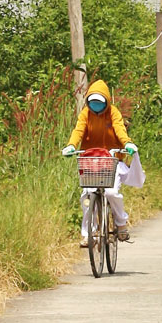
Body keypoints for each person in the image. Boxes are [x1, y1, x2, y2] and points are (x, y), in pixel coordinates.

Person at [62, 79, 137, 246]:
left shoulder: (113, 113)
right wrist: (71, 145)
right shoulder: (85, 114)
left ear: (107, 101)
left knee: (111, 193)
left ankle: (121, 223)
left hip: (112, 159)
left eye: (100, 103)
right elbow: (78, 131)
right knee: (87, 196)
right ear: (88, 101)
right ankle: (89, 234)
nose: (96, 106)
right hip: (91, 160)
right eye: (93, 102)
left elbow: (119, 129)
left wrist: (127, 144)